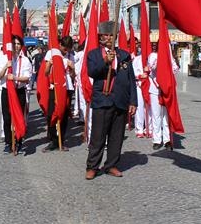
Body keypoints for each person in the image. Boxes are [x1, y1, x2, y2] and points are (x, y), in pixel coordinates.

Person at [85, 21, 137, 180]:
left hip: (120, 101)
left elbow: (131, 79)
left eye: (111, 35)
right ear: (100, 37)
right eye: (105, 35)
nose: (108, 38)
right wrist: (106, 61)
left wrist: (133, 101)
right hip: (102, 100)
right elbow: (93, 72)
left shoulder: (124, 55)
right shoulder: (93, 54)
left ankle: (111, 165)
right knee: (98, 136)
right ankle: (93, 166)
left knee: (117, 136)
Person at [0, 34, 31, 154]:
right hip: (6, 91)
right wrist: (6, 66)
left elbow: (27, 78)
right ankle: (9, 143)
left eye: (18, 44)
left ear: (21, 46)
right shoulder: (3, 57)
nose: (16, 46)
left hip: (19, 91)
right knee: (7, 118)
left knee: (19, 117)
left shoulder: (25, 60)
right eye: (14, 44)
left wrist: (15, 77)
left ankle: (18, 141)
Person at [43, 35, 75, 152]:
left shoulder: (70, 56)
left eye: (68, 49)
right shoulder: (52, 53)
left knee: (64, 115)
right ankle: (53, 140)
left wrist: (72, 69)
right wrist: (49, 64)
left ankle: (61, 139)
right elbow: (46, 73)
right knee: (51, 114)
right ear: (60, 45)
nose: (66, 51)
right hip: (54, 87)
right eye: (65, 49)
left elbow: (73, 76)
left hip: (66, 88)